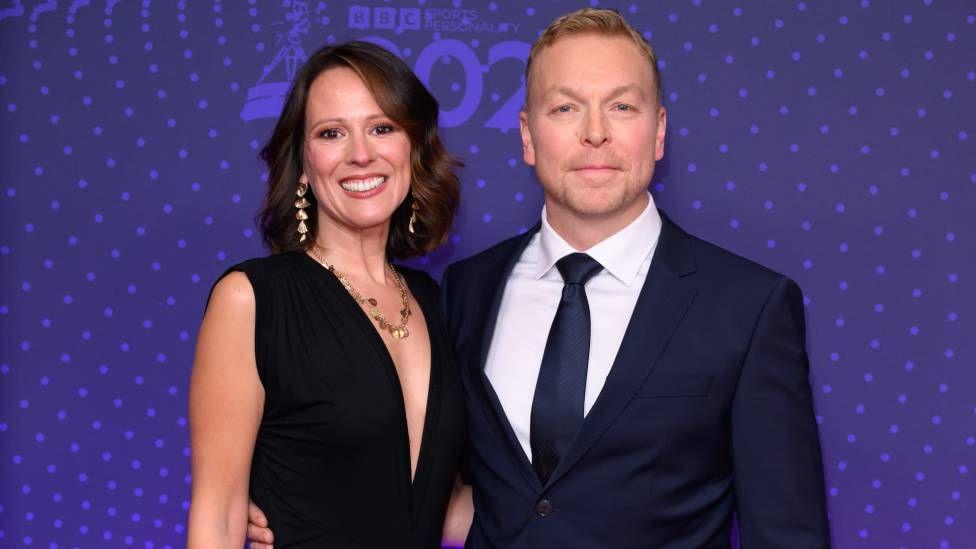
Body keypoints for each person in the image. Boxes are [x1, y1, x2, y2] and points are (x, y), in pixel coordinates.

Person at [248, 8, 830, 548]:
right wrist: (310, 510)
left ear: (658, 131)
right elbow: (434, 492)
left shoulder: (749, 306)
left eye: (622, 107)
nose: (595, 133)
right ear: (527, 136)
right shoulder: (461, 294)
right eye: (565, 108)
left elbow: (787, 535)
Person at [186, 41, 468, 548]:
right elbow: (219, 515)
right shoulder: (251, 300)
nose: (361, 153)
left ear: (414, 148)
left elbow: (440, 509)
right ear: (302, 163)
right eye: (331, 133)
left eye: (382, 128)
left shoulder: (436, 301)